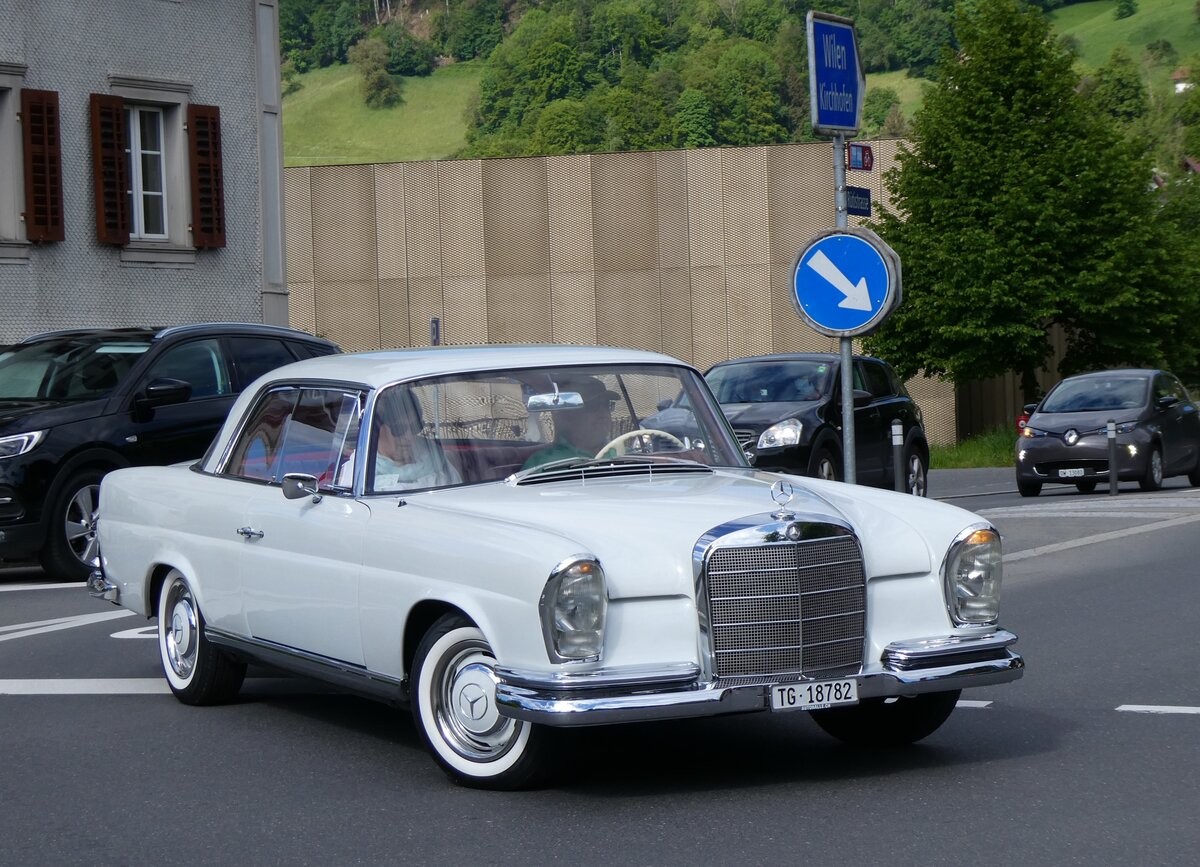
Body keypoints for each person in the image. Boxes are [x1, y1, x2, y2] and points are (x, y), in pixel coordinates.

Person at [522, 375, 620, 470]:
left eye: (607, 405)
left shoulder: (624, 453)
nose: (603, 413)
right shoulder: (543, 463)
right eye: (593, 406)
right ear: (568, 415)